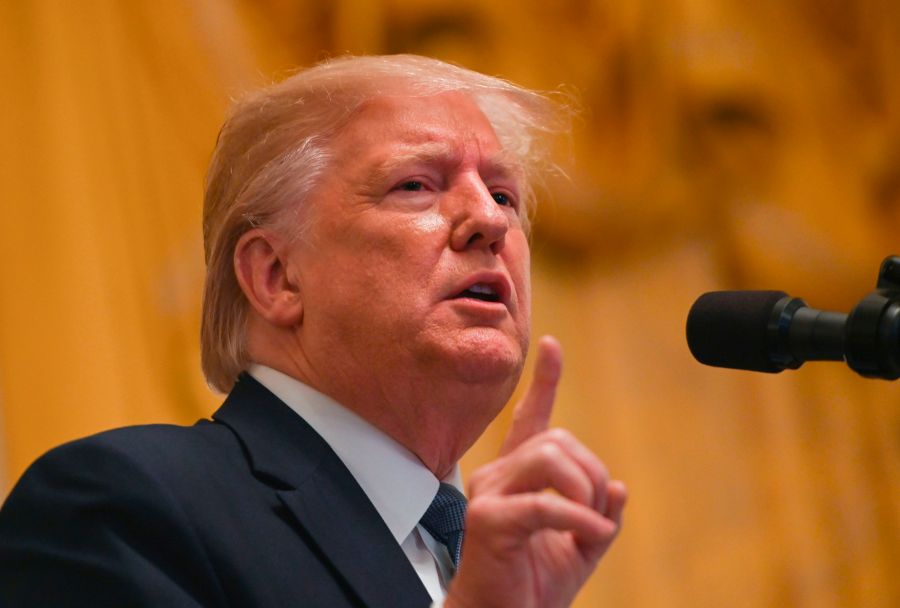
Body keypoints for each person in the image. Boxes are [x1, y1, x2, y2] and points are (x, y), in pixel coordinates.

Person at [0, 54, 626, 607]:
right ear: (277, 276)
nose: (488, 221)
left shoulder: (498, 560)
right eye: (415, 185)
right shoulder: (121, 509)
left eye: (504, 195)